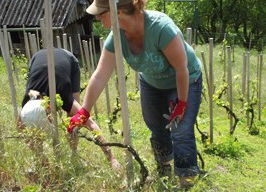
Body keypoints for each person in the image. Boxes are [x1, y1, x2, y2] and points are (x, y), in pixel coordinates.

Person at [68, 0, 203, 188]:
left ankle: (186, 178)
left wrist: (181, 104)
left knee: (181, 129)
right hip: (152, 83)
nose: (97, 17)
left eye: (101, 12)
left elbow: (182, 69)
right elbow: (100, 75)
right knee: (156, 125)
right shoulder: (116, 38)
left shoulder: (161, 28)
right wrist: (84, 111)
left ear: (119, 12)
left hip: (184, 80)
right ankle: (164, 167)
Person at [17, 48, 121, 171]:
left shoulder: (64, 96)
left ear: (48, 107)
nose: (51, 120)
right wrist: (41, 156)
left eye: (49, 120)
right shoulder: (28, 102)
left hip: (68, 59)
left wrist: (112, 159)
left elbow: (91, 124)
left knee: (74, 121)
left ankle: (74, 153)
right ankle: (41, 160)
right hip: (37, 58)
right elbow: (20, 128)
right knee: (31, 130)